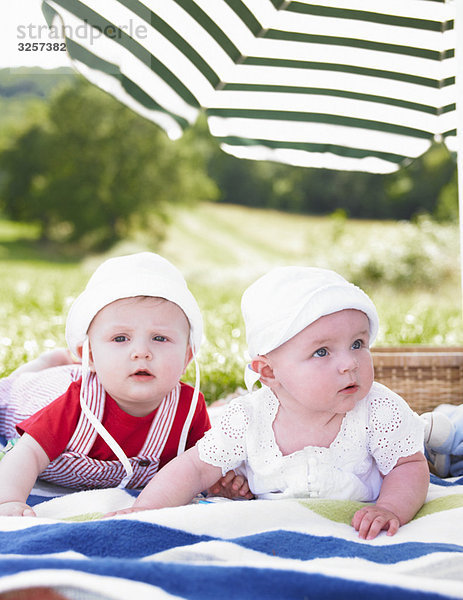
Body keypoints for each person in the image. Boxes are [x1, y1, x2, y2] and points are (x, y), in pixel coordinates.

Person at [111, 266, 429, 540]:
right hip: (284, 530)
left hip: (353, 515)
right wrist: (145, 510)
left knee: (425, 436)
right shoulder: (248, 419)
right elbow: (193, 469)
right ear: (269, 372)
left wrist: (390, 508)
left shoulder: (379, 409)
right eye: (322, 351)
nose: (349, 363)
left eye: (357, 344)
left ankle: (437, 429)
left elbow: (409, 465)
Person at [0, 252, 250, 516]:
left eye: (160, 338)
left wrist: (220, 483)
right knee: (16, 385)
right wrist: (8, 501)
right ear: (90, 355)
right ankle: (48, 363)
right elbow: (27, 454)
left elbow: (201, 466)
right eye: (121, 338)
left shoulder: (188, 410)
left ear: (187, 357)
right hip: (38, 395)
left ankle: (62, 360)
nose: (141, 352)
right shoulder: (77, 403)